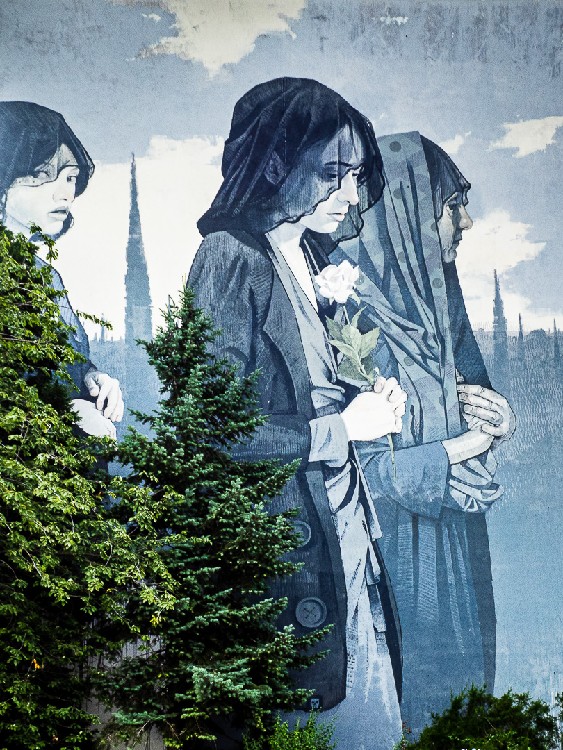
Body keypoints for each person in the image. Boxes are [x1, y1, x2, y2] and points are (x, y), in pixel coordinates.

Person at [188, 78, 407, 749]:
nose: (349, 194)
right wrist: (343, 428)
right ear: (275, 165)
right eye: (331, 174)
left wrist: (370, 400)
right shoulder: (230, 256)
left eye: (355, 175)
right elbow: (212, 430)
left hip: (345, 543)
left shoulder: (310, 256)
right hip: (284, 562)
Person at [332, 131, 515, 735]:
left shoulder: (436, 293)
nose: (465, 221)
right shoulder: (348, 307)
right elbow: (368, 468)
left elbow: (470, 390)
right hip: (394, 550)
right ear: (407, 210)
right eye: (451, 206)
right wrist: (461, 448)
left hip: (452, 538)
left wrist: (495, 417)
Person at [0, 101, 123, 437]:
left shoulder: (46, 276)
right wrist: (61, 413)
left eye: (70, 177)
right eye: (42, 174)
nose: (64, 193)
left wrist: (93, 380)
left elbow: (66, 364)